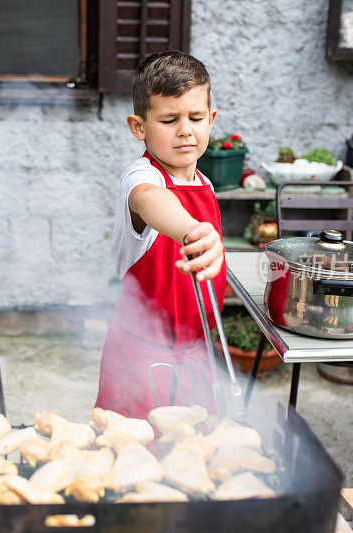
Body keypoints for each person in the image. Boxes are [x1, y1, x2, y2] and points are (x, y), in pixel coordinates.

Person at [95, 50, 226, 420]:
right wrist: (191, 230)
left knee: (191, 454)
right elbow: (152, 201)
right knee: (134, 453)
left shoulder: (206, 184)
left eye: (196, 117)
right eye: (169, 119)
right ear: (139, 127)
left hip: (196, 351)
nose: (185, 129)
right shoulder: (142, 178)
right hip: (141, 356)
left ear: (211, 120)